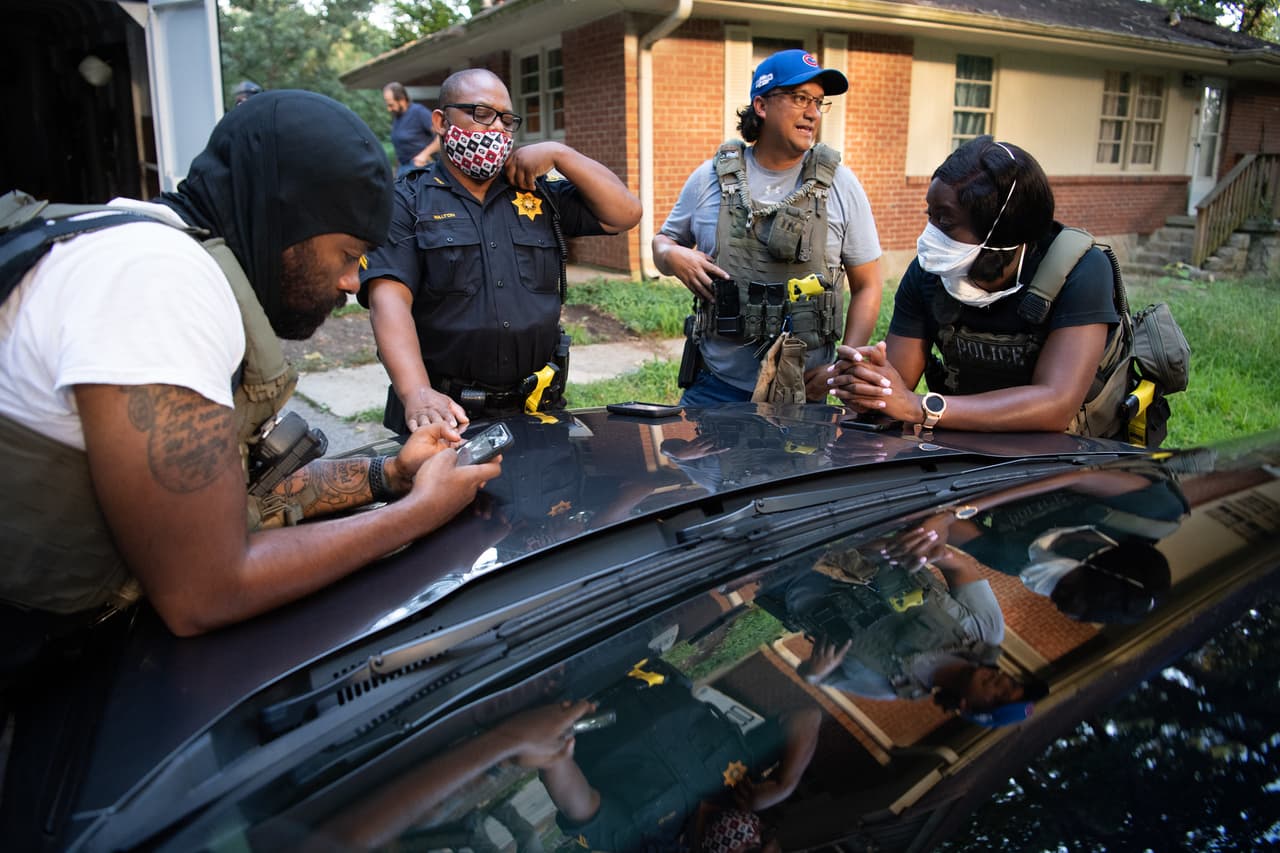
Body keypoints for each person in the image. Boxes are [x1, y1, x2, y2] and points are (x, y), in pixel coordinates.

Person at [0, 91, 500, 657]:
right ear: (287, 221)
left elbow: (224, 496)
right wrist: (417, 516)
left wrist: (392, 475)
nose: (352, 283)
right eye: (347, 253)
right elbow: (204, 591)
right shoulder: (159, 283)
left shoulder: (141, 242)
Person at [361, 68, 642, 431]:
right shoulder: (406, 200)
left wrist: (561, 154)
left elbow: (626, 213)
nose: (496, 128)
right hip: (446, 415)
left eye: (507, 120)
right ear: (441, 122)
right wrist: (416, 393)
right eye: (480, 114)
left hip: (538, 409)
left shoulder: (538, 193)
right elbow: (389, 302)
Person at [831, 135, 1119, 432]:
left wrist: (921, 407)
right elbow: (897, 388)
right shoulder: (930, 272)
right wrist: (869, 386)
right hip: (962, 441)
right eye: (930, 216)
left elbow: (1056, 404)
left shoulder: (1080, 270)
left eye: (945, 221)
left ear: (1001, 228)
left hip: (1065, 451)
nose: (930, 236)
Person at [654, 48, 883, 407]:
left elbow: (868, 285)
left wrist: (843, 365)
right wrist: (671, 254)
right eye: (799, 98)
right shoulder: (709, 179)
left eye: (818, 102)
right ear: (761, 105)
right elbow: (663, 242)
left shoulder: (841, 185)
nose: (812, 112)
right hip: (716, 387)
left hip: (803, 391)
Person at [382, 81, 440, 177]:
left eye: (391, 105)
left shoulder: (419, 112)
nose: (389, 109)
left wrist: (425, 154)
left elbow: (441, 135)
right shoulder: (397, 118)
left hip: (420, 167)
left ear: (401, 99)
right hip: (403, 168)